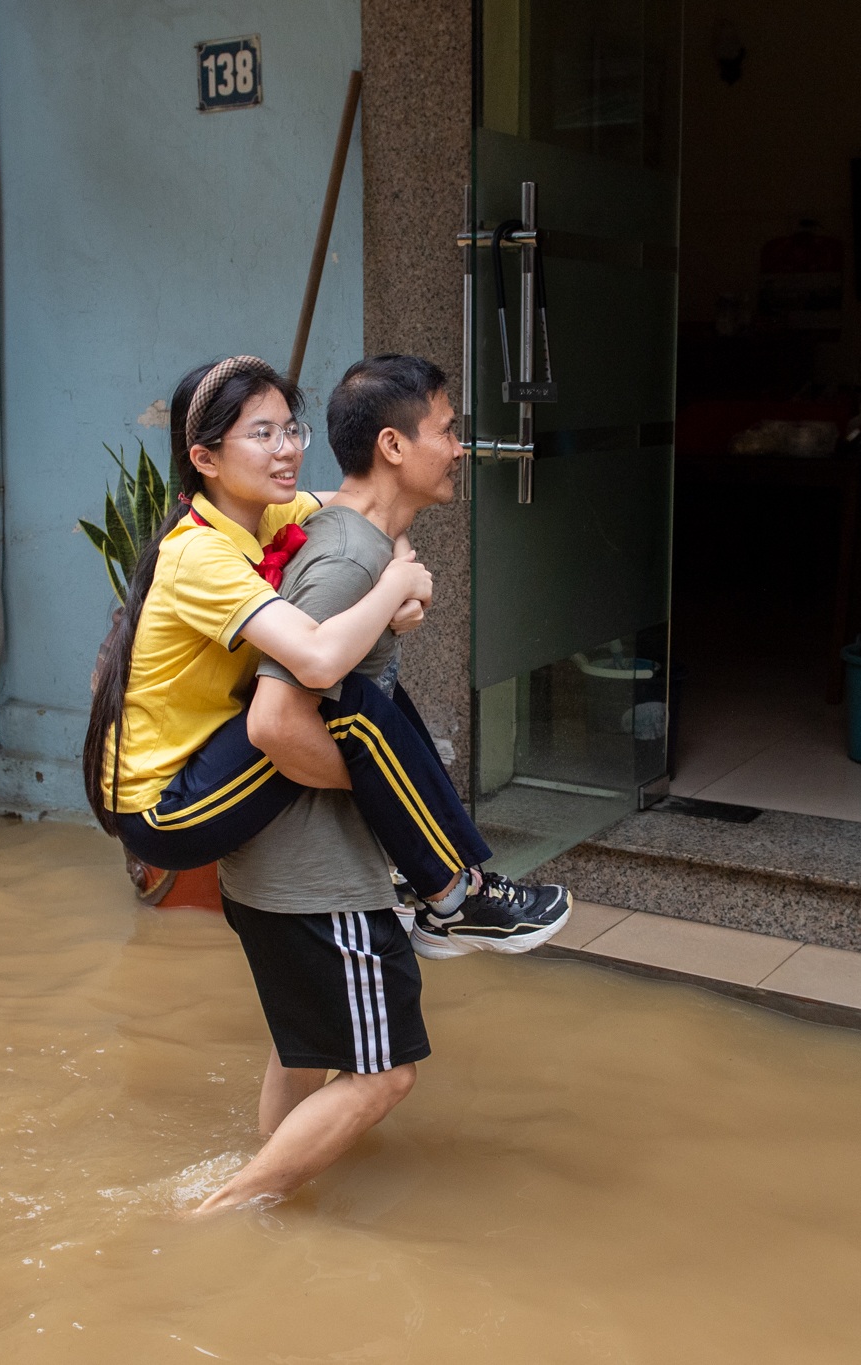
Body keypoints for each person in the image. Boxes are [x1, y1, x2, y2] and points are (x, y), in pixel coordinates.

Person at [195, 354, 544, 1214]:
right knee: (385, 1072)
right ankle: (215, 1214)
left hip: (278, 871)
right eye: (449, 428)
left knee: (302, 1048)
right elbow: (276, 719)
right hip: (316, 876)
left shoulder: (350, 539)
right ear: (393, 445)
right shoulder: (352, 556)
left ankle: (271, 1204)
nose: (461, 446)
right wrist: (388, 797)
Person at [82, 355, 569, 947]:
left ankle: (449, 886)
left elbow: (372, 507)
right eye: (261, 434)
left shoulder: (265, 512)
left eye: (291, 429)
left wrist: (399, 568)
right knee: (352, 710)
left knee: (373, 701)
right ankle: (453, 896)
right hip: (166, 808)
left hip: (207, 759)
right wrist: (395, 587)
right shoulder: (197, 556)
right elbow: (315, 659)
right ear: (205, 459)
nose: (286, 449)